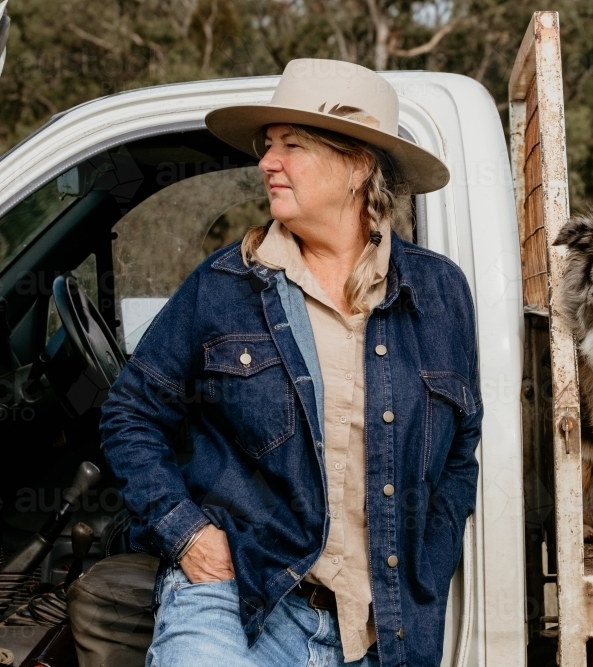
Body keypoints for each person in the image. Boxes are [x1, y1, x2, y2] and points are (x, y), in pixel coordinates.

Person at [96, 58, 482, 667]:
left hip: (384, 628)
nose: (267, 163)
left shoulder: (439, 295)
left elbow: (461, 453)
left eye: (292, 145)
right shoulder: (225, 285)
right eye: (268, 146)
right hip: (239, 599)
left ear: (358, 166)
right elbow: (129, 414)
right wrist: (186, 532)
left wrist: (425, 570)